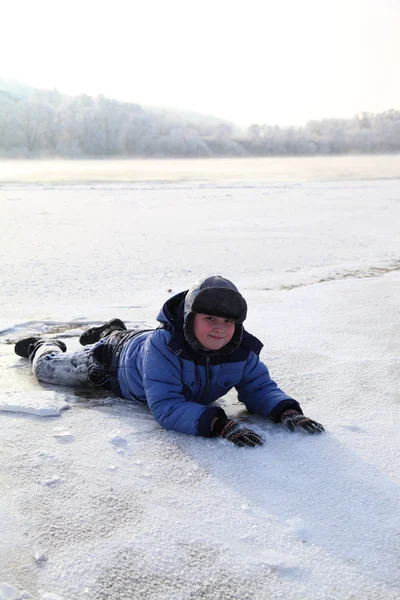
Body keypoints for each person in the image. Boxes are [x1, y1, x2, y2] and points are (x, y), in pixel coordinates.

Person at [14, 276, 324, 447]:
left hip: (137, 342)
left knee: (129, 337)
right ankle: (45, 345)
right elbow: (165, 406)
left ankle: (111, 328)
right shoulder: (164, 348)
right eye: (210, 318)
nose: (219, 327)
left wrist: (286, 411)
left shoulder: (240, 351)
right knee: (47, 370)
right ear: (190, 319)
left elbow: (258, 386)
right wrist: (218, 424)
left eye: (228, 321)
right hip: (110, 363)